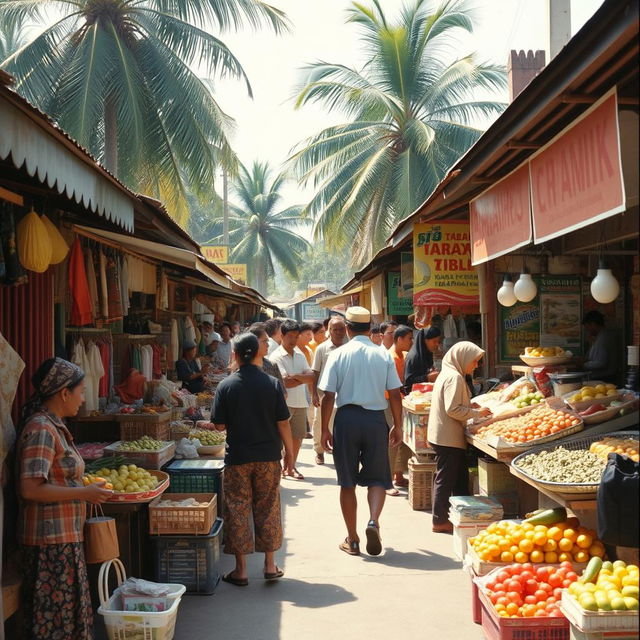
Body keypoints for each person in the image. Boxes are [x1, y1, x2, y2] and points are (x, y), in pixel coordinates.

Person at [17, 358, 113, 640]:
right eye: (82, 391)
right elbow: (30, 489)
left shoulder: (53, 425)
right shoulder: (41, 429)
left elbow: (57, 478)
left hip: (64, 538)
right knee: (55, 622)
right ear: (63, 393)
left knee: (67, 619)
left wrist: (85, 486)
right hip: (49, 544)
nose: (84, 399)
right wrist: (84, 492)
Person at [319, 307, 403, 557]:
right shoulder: (383, 355)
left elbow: (328, 395)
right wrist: (397, 425)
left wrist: (324, 428)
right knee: (377, 478)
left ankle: (353, 540)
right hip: (376, 420)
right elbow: (396, 394)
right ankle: (373, 521)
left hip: (346, 420)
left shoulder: (338, 354)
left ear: (347, 328)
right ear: (370, 329)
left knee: (347, 482)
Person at [212, 334, 294, 586]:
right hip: (268, 457)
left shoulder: (226, 386)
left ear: (235, 355)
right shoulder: (271, 384)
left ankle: (241, 570)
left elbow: (219, 425)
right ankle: (270, 565)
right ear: (258, 353)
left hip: (238, 457)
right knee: (268, 507)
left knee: (237, 509)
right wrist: (290, 453)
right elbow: (283, 422)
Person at [427, 342, 491, 534]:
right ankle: (439, 521)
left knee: (457, 478)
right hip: (448, 437)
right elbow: (453, 409)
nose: (476, 366)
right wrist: (476, 414)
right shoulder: (454, 377)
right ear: (463, 359)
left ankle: (461, 517)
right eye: (475, 361)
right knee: (446, 479)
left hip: (445, 435)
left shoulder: (449, 372)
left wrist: (473, 409)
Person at [270, 320, 315, 480]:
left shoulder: (300, 354)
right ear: (282, 336)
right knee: (281, 439)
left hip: (301, 402)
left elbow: (311, 377)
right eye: (290, 336)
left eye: (296, 336)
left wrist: (295, 376)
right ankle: (283, 466)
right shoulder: (275, 357)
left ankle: (291, 467)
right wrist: (302, 378)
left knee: (297, 437)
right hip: (283, 404)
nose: (293, 340)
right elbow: (284, 382)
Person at [311, 315, 347, 465]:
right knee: (320, 422)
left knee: (341, 423)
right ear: (329, 330)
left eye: (341, 329)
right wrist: (313, 393)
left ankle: (340, 451)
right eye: (335, 329)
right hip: (324, 393)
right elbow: (315, 372)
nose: (339, 332)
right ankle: (319, 451)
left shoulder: (349, 347)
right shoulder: (321, 349)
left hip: (345, 392)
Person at [386, 325, 414, 495]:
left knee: (402, 441)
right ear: (399, 339)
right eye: (409, 338)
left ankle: (398, 475)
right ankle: (387, 481)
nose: (412, 341)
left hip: (401, 402)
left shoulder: (403, 356)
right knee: (391, 441)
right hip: (389, 402)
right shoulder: (389, 357)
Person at [581, 310, 619, 383]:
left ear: (593, 324)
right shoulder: (600, 337)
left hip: (604, 378)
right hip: (601, 377)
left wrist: (582, 365)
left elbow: (601, 363)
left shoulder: (604, 338)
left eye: (587, 327)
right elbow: (593, 356)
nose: (587, 330)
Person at [403, 326, 442, 394]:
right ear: (425, 341)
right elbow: (408, 382)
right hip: (414, 397)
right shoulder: (414, 357)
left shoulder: (427, 354)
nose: (437, 344)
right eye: (434, 341)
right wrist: (427, 377)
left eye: (438, 342)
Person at [247, 323, 285, 387]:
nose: (268, 345)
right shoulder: (243, 367)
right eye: (264, 341)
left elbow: (283, 393)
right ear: (253, 342)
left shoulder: (272, 365)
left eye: (267, 341)